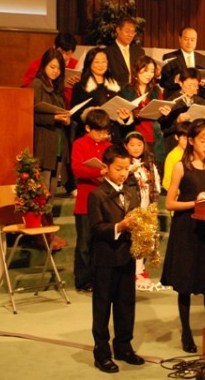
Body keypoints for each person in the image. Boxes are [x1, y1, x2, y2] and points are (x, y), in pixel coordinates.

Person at [160, 119, 205, 353]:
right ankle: (186, 333)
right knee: (185, 282)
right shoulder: (181, 166)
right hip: (186, 228)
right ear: (191, 141)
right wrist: (195, 203)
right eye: (203, 140)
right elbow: (169, 203)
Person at [87, 144, 144, 373]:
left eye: (126, 169)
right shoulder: (96, 195)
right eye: (118, 168)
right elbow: (95, 228)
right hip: (105, 259)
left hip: (126, 257)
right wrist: (120, 226)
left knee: (126, 305)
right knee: (102, 306)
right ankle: (101, 353)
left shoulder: (131, 192)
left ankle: (123, 346)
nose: (123, 173)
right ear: (106, 168)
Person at [30, 48, 71, 250]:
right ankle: (41, 235)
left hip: (57, 143)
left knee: (52, 191)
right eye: (52, 67)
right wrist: (54, 117)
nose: (55, 71)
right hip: (44, 143)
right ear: (44, 66)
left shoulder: (56, 88)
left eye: (58, 68)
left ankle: (49, 232)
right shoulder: (37, 84)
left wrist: (66, 119)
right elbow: (31, 112)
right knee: (42, 191)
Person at [71, 108, 112, 292]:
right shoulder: (79, 144)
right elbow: (77, 169)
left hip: (105, 201)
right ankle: (83, 281)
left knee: (101, 244)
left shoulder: (108, 146)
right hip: (85, 201)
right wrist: (98, 171)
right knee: (84, 243)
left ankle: (100, 279)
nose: (102, 135)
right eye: (98, 132)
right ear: (88, 128)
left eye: (105, 132)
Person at [70, 46, 132, 145]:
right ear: (89, 63)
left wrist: (125, 117)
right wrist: (91, 114)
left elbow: (121, 107)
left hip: (113, 137)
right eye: (97, 62)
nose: (101, 65)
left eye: (104, 61)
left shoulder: (114, 85)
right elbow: (74, 113)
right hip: (91, 138)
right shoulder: (81, 86)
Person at [123, 131, 160, 289]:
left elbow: (155, 182)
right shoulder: (123, 162)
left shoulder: (149, 162)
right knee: (134, 237)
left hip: (146, 202)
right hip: (131, 204)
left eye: (139, 144)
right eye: (132, 145)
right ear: (125, 146)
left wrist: (154, 203)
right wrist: (130, 170)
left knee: (144, 237)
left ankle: (140, 269)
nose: (136, 148)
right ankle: (132, 271)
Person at [120, 55, 168, 168]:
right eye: (146, 70)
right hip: (134, 135)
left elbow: (161, 118)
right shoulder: (127, 90)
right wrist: (131, 114)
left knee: (154, 169)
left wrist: (165, 113)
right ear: (137, 70)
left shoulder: (155, 90)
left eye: (152, 71)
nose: (149, 74)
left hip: (154, 136)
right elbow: (122, 116)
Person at [22, 32, 80, 108]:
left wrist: (78, 85)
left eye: (68, 53)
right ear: (54, 46)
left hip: (67, 106)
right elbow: (28, 86)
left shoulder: (77, 65)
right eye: (61, 52)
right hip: (47, 105)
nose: (63, 56)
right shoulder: (40, 63)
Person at [162, 68, 205, 156]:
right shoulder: (171, 102)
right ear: (180, 83)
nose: (192, 88)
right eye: (189, 85)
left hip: (195, 146)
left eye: (195, 85)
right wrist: (177, 121)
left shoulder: (201, 102)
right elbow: (163, 131)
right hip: (175, 146)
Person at [160, 27, 205, 102]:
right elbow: (163, 82)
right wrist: (175, 79)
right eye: (186, 39)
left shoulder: (203, 59)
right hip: (176, 99)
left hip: (197, 99)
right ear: (180, 39)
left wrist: (204, 82)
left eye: (192, 40)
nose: (189, 42)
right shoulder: (170, 57)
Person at [105, 16, 145, 88]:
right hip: (116, 90)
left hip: (136, 90)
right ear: (118, 30)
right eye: (127, 32)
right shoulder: (107, 52)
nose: (130, 35)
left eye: (132, 32)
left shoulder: (139, 52)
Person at [162, 121, 190, 192]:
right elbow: (166, 182)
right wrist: (180, 192)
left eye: (189, 139)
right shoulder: (172, 156)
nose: (187, 142)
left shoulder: (195, 153)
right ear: (177, 137)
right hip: (180, 196)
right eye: (185, 138)